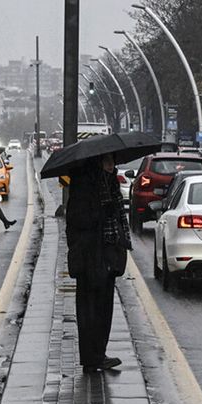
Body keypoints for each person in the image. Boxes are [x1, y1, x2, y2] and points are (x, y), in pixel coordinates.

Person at [66, 153, 132, 373]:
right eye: (107, 161)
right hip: (91, 255)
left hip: (109, 252)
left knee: (104, 308)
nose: (112, 165)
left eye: (113, 161)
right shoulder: (85, 185)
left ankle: (98, 354)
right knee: (90, 309)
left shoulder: (110, 183)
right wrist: (101, 213)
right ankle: (91, 356)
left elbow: (119, 217)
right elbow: (77, 220)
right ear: (97, 163)